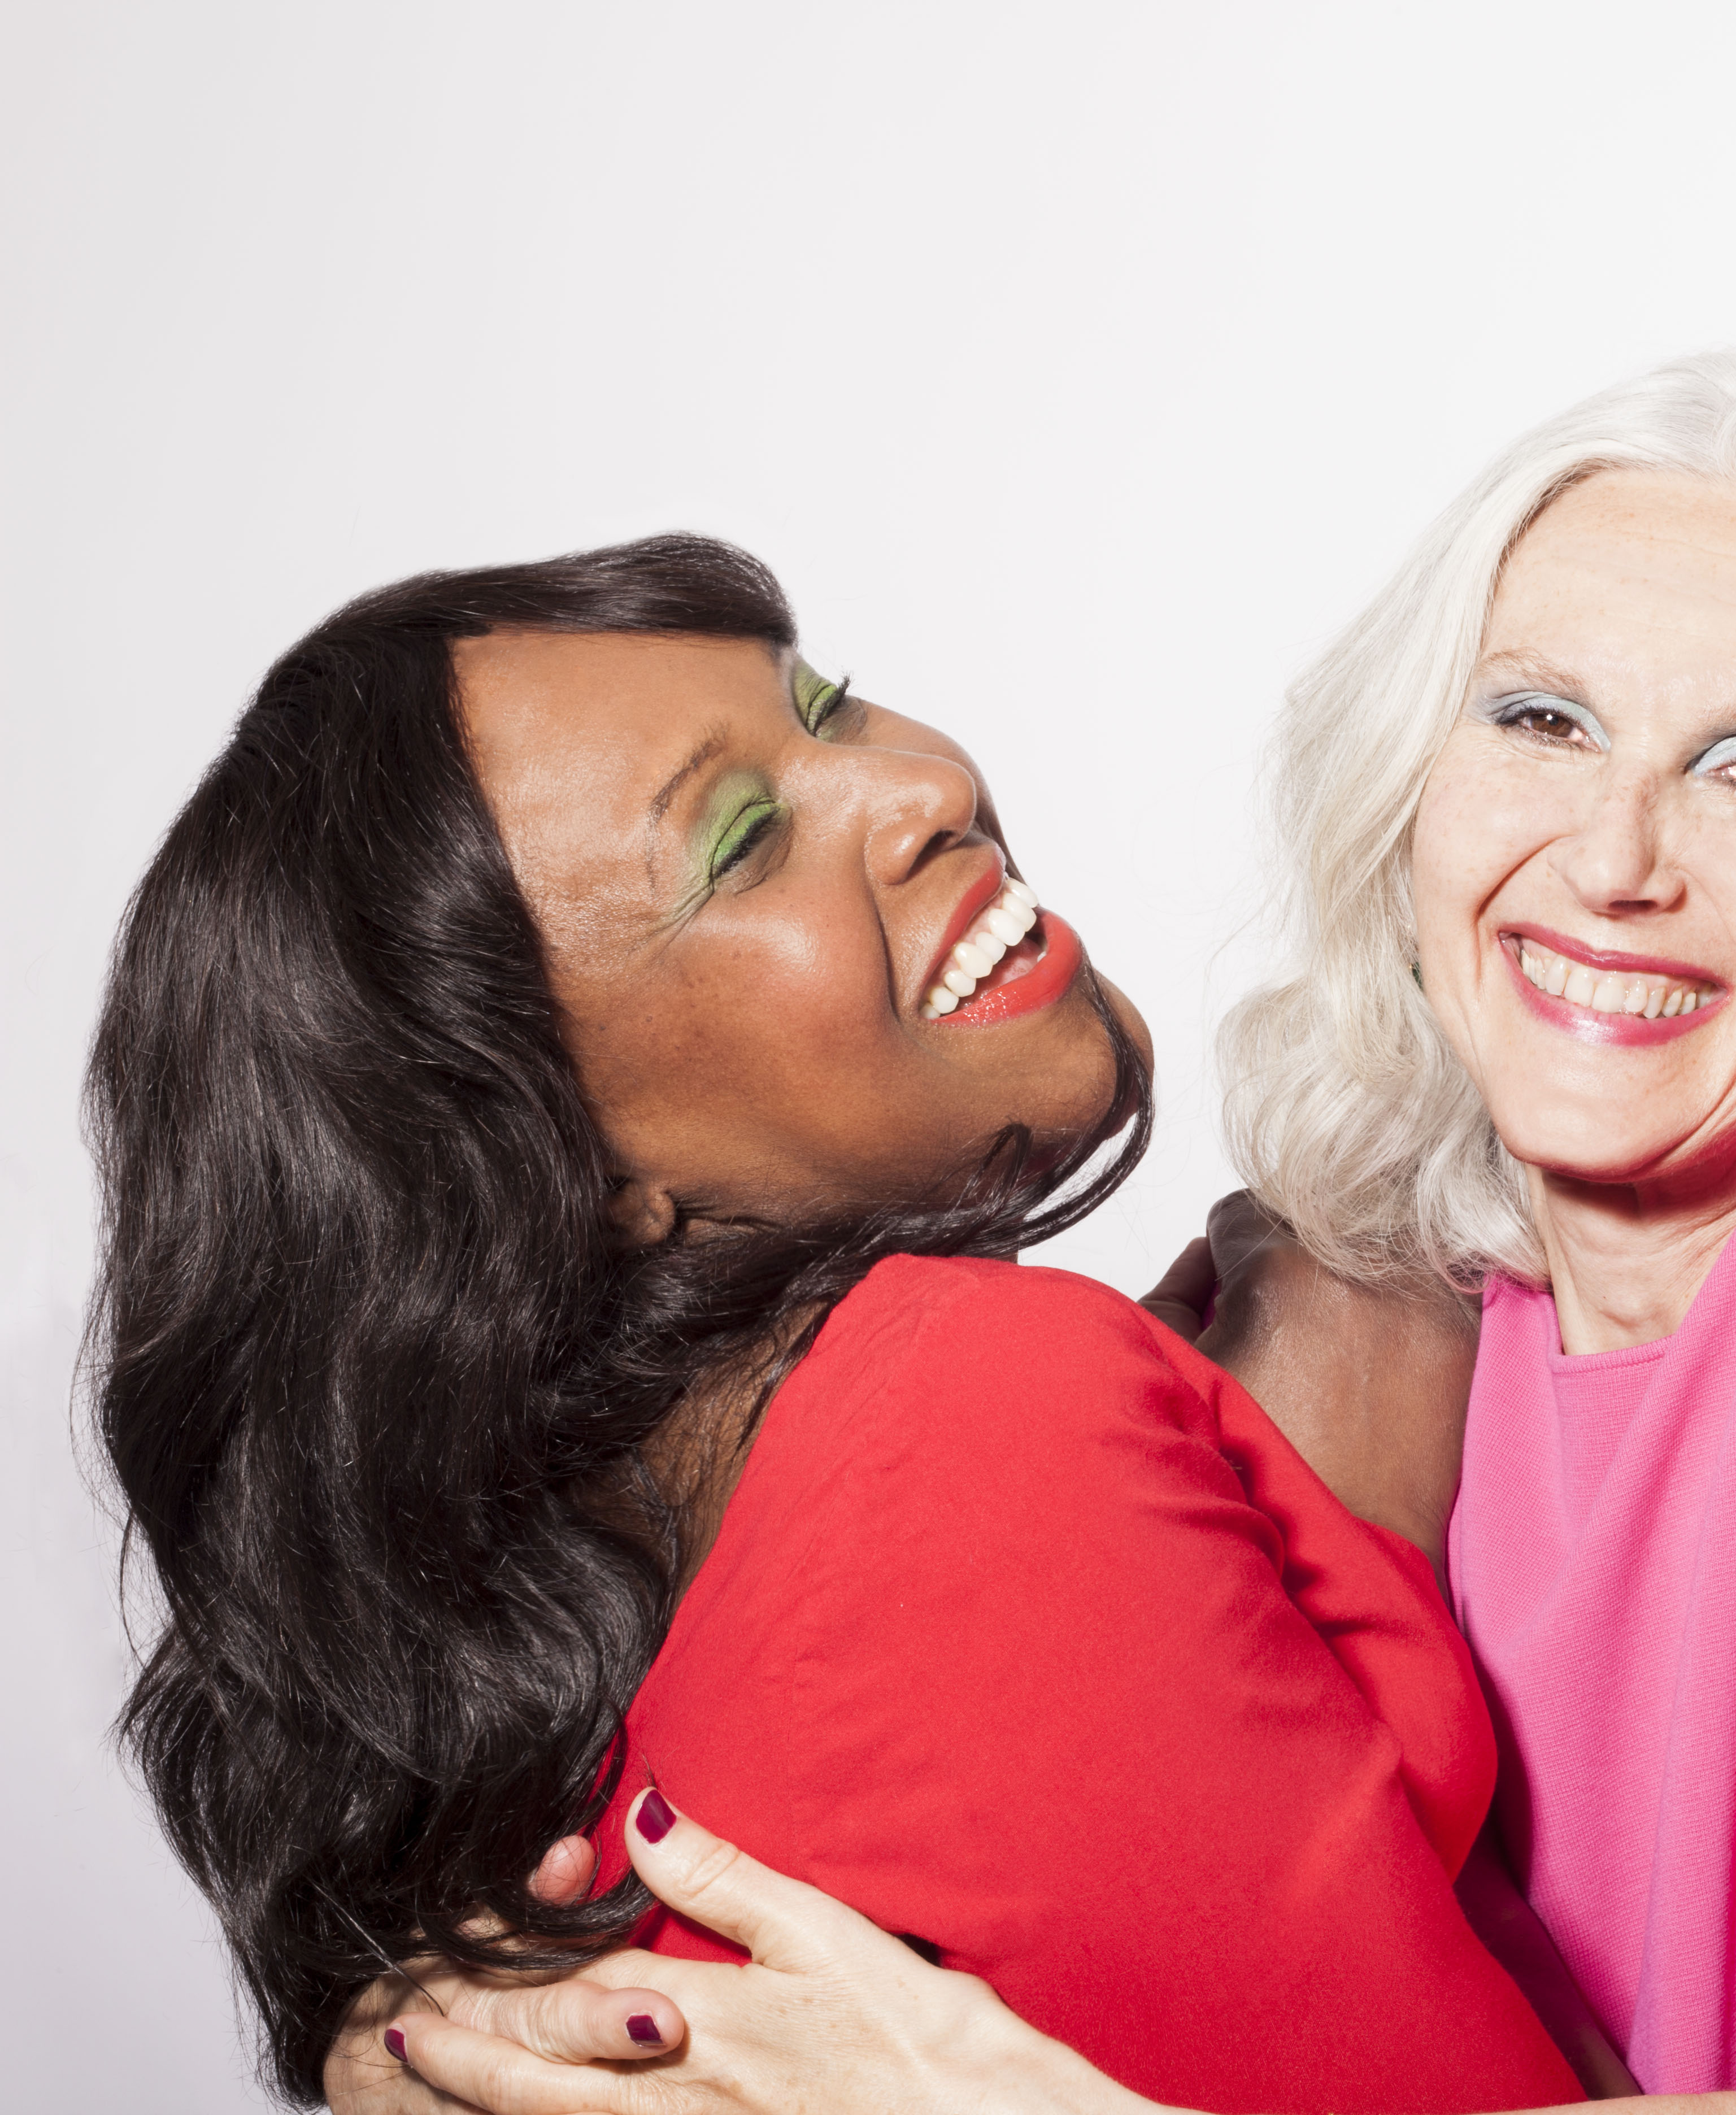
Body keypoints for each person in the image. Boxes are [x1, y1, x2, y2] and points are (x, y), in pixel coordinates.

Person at [341, 356, 1736, 2115]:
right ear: (1413, 792)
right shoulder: (1395, 1316)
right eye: (1540, 720)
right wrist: (439, 2033)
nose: (1615, 858)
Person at [89, 537, 1583, 2113]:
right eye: (740, 845)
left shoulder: (709, 1626)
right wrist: (1353, 1431)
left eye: (831, 708)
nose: (915, 788)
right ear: (578, 1174)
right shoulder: (962, 1436)